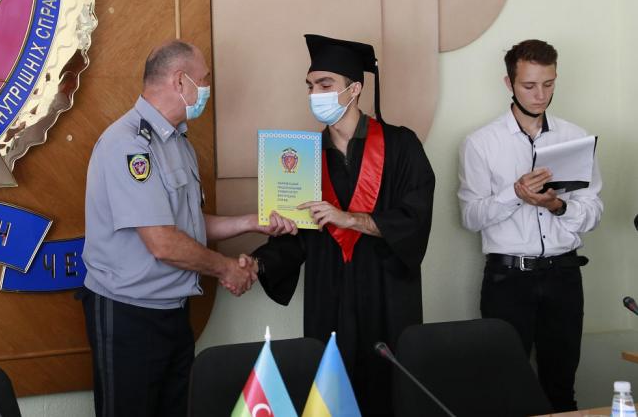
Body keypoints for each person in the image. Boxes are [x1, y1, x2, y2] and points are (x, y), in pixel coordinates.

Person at [80, 39, 296, 417]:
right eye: (205, 79)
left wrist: (251, 222)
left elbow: (187, 225)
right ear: (181, 81)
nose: (208, 88)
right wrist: (226, 268)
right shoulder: (128, 146)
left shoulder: (178, 142)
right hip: (129, 316)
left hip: (174, 312)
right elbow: (163, 243)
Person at [252, 34, 435, 416]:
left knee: (390, 394)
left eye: (324, 85)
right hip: (329, 292)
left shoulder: (401, 146)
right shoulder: (301, 157)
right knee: (331, 394)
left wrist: (350, 219)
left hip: (386, 291)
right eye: (310, 86)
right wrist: (257, 263)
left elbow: (415, 218)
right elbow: (298, 238)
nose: (314, 94)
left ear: (354, 89)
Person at [458, 39, 603, 412]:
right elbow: (470, 217)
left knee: (561, 387)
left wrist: (557, 205)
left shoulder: (576, 138)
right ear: (509, 83)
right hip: (507, 279)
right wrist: (514, 194)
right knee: (503, 389)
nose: (540, 95)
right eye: (529, 85)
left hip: (564, 275)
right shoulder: (480, 143)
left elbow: (593, 212)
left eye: (549, 84)